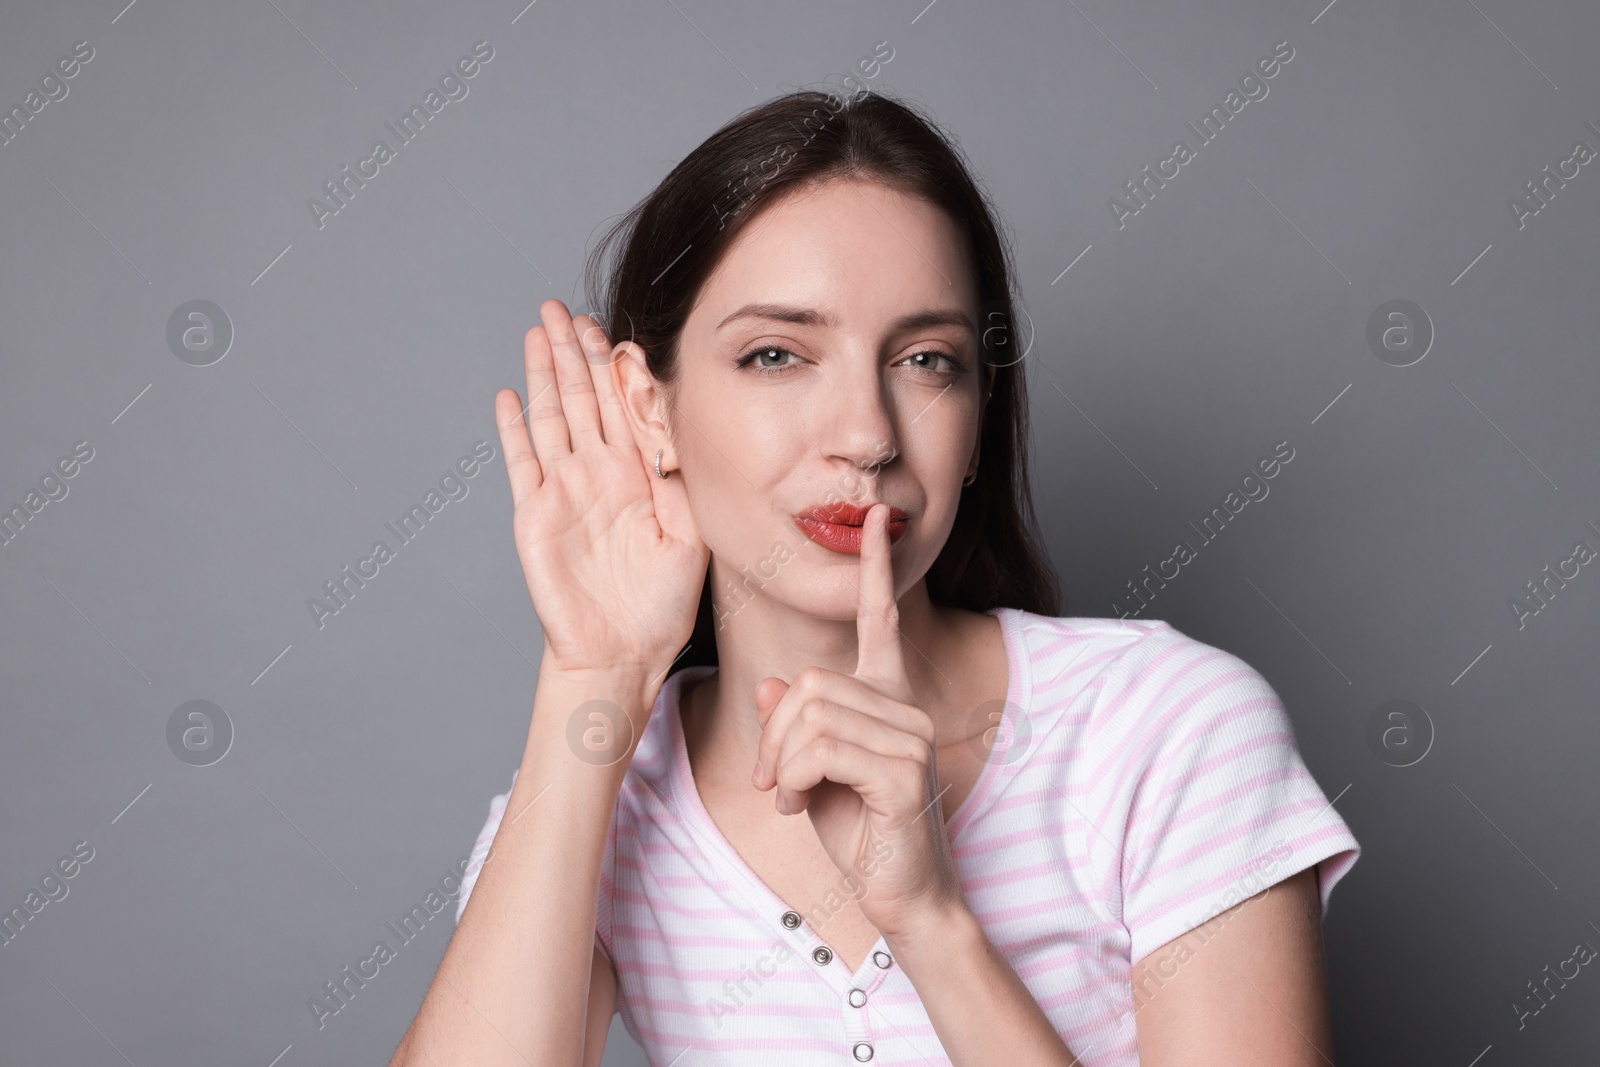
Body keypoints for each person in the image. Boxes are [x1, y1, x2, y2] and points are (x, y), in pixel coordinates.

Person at [390, 88, 1359, 1066]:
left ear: (980, 411)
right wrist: (592, 677)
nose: (866, 434)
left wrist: (932, 922)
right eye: (776, 354)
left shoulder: (1168, 730)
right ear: (650, 410)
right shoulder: (599, 796)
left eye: (925, 360)